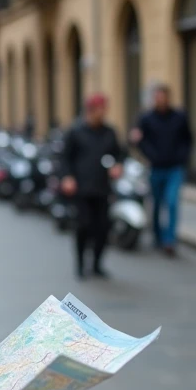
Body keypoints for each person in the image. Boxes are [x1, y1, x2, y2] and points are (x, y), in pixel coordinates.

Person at [60, 93, 125, 280]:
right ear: (91, 110)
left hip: (103, 188)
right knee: (83, 226)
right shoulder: (76, 132)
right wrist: (67, 177)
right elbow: (65, 158)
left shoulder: (109, 132)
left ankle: (97, 264)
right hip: (81, 188)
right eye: (100, 109)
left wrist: (118, 165)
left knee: (102, 228)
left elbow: (119, 154)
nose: (103, 112)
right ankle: (80, 264)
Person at [130, 83, 193, 256]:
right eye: (157, 97)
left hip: (174, 168)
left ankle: (169, 240)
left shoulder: (179, 116)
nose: (160, 100)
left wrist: (182, 157)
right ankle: (157, 236)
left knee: (172, 203)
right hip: (155, 168)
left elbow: (188, 139)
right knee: (157, 204)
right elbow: (137, 139)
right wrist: (149, 155)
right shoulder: (146, 118)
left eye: (163, 96)